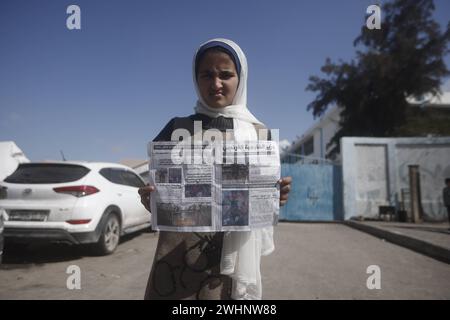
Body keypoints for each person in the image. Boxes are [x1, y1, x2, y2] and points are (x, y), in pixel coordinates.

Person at [138, 38, 292, 300]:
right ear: (196, 79)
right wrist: (151, 199)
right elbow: (159, 183)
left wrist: (275, 197)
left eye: (226, 74)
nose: (216, 83)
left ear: (241, 78)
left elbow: (263, 197)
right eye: (206, 75)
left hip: (228, 261)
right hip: (178, 254)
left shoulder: (259, 134)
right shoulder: (177, 127)